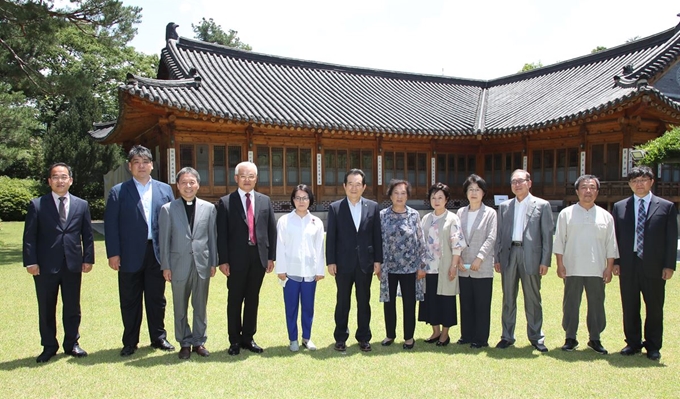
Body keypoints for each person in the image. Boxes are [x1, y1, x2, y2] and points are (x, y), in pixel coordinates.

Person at [105, 145, 175, 356]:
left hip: (156, 253)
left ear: (152, 165)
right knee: (129, 299)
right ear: (130, 166)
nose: (141, 166)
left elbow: (172, 224)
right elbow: (111, 225)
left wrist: (170, 255)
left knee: (157, 299)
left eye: (145, 162)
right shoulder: (118, 192)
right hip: (129, 254)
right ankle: (130, 341)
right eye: (136, 162)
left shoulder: (165, 190)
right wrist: (113, 253)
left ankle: (158, 337)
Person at [22, 163, 94, 363]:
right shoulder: (37, 205)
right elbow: (29, 237)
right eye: (55, 177)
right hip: (45, 265)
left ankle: (72, 343)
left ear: (70, 180)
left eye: (64, 177)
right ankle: (49, 346)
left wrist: (88, 259)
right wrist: (31, 262)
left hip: (73, 264)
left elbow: (87, 235)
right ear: (49, 181)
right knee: (46, 307)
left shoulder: (81, 205)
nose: (60, 181)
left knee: (72, 306)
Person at [612, 166, 678, 361]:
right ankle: (632, 342)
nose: (639, 184)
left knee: (655, 307)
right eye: (634, 181)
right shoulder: (620, 206)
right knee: (630, 305)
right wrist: (616, 261)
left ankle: (653, 345)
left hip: (655, 265)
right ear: (630, 184)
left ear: (651, 182)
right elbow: (615, 237)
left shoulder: (665, 206)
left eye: (643, 180)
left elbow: (671, 238)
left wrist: (669, 265)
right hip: (628, 264)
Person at [216, 161, 277, 355]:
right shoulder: (225, 202)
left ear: (256, 179)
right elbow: (221, 234)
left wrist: (271, 257)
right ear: (236, 178)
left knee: (253, 299)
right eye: (243, 176)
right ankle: (234, 340)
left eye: (251, 176)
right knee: (234, 300)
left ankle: (248, 338)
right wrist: (223, 260)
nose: (247, 180)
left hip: (258, 257)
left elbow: (271, 230)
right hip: (235, 260)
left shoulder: (264, 200)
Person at [553, 175, 618, 355]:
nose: (587, 191)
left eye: (591, 187)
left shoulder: (606, 216)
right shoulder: (567, 214)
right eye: (583, 187)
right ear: (577, 191)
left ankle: (595, 338)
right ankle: (570, 337)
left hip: (597, 268)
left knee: (597, 304)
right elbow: (559, 241)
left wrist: (609, 267)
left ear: (597, 191)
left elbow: (611, 244)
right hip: (572, 267)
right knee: (571, 303)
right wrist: (560, 265)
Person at [159, 167, 217, 359]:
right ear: (177, 186)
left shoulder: (209, 208)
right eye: (184, 182)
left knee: (200, 305)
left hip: (202, 263)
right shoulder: (168, 209)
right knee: (180, 306)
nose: (188, 186)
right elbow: (164, 240)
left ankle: (199, 342)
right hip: (178, 264)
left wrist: (213, 262)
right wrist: (165, 265)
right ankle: (184, 342)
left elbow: (212, 237)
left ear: (198, 184)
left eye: (192, 182)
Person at [495, 169, 553, 352]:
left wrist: (545, 261)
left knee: (533, 298)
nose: (517, 185)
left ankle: (536, 337)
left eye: (521, 181)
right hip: (509, 255)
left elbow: (547, 236)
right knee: (508, 298)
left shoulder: (542, 205)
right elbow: (499, 235)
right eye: (514, 182)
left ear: (529, 182)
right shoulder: (505, 207)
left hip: (532, 257)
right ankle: (507, 336)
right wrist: (497, 257)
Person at [326, 169, 383, 352]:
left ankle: (364, 337)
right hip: (343, 263)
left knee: (363, 301)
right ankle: (340, 337)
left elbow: (376, 235)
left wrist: (378, 260)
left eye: (358, 184)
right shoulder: (335, 208)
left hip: (365, 262)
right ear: (344, 186)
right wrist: (331, 261)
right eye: (350, 183)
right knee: (342, 301)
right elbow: (331, 237)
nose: (354, 187)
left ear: (364, 187)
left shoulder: (373, 207)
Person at [378, 180, 430, 350]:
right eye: (396, 193)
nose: (399, 197)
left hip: (410, 267)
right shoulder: (383, 215)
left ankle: (409, 337)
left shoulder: (414, 215)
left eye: (403, 193)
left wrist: (422, 265)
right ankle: (390, 334)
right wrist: (377, 264)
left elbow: (421, 241)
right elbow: (377, 241)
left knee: (409, 303)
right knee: (389, 302)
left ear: (407, 195)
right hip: (389, 266)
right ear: (390, 195)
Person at [275, 184, 325, 352]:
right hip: (290, 272)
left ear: (310, 200)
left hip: (310, 273)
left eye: (305, 198)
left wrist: (319, 270)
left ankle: (306, 338)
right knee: (291, 307)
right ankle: (293, 339)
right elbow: (280, 246)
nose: (301, 201)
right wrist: (280, 269)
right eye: (298, 198)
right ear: (293, 200)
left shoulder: (316, 222)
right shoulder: (284, 221)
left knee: (308, 307)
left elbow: (319, 247)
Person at [418, 182, 465, 347]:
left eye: (440, 197)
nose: (436, 200)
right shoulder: (426, 219)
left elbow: (457, 244)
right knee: (430, 300)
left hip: (445, 267)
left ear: (446, 200)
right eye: (433, 197)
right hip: (428, 268)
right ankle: (435, 331)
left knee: (446, 300)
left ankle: (445, 334)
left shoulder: (452, 219)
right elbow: (421, 243)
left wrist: (453, 265)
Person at [456, 175, 497, 349]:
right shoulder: (460, 212)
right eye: (470, 189)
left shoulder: (490, 213)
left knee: (481, 304)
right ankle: (466, 335)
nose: (473, 193)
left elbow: (491, 237)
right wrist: (457, 258)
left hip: (482, 265)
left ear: (483, 192)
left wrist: (479, 258)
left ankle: (480, 339)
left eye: (477, 189)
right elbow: (456, 237)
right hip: (463, 264)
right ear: (466, 193)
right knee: (466, 302)